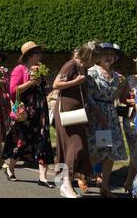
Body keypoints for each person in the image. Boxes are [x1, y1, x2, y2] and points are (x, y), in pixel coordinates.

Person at [2, 42, 55, 187]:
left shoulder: (40, 69)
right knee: (22, 140)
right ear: (30, 55)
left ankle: (42, 177)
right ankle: (10, 168)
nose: (40, 55)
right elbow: (13, 91)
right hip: (25, 112)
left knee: (43, 140)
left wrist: (50, 88)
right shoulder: (19, 69)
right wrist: (31, 83)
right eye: (38, 53)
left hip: (40, 110)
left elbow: (42, 89)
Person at [53, 41, 100, 198]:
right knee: (76, 146)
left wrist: (94, 112)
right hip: (66, 111)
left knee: (72, 147)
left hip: (77, 113)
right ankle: (65, 185)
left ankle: (64, 183)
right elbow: (56, 84)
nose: (95, 62)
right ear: (89, 56)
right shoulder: (70, 65)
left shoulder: (82, 69)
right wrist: (75, 81)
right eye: (95, 58)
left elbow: (83, 92)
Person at [86, 43, 130, 198]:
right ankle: (80, 174)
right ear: (97, 56)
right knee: (95, 150)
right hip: (96, 115)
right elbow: (88, 95)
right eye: (105, 53)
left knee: (110, 153)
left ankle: (104, 187)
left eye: (112, 54)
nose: (109, 56)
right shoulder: (91, 73)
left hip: (111, 115)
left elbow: (121, 97)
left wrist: (128, 96)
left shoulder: (118, 76)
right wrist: (97, 113)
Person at [125, 58, 137, 197]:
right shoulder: (131, 79)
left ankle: (129, 183)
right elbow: (124, 98)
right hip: (132, 122)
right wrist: (132, 101)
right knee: (135, 154)